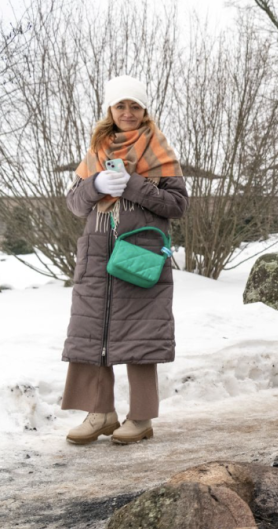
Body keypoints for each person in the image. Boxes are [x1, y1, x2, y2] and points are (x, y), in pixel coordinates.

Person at [62, 75, 188, 445]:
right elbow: (74, 203)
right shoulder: (97, 150)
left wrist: (134, 184)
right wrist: (95, 185)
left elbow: (178, 205)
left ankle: (141, 416)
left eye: (135, 106)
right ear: (110, 110)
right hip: (97, 256)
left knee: (140, 334)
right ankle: (100, 413)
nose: (128, 113)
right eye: (121, 106)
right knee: (93, 332)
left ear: (144, 109)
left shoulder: (160, 151)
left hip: (140, 254)